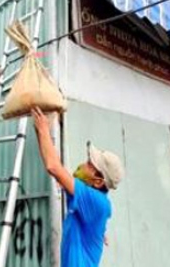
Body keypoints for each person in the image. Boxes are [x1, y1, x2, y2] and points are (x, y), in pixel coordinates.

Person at [32, 108, 123, 267]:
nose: (83, 164)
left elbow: (53, 167)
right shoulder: (85, 198)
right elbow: (55, 167)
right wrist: (40, 131)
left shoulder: (95, 200)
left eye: (89, 164)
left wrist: (43, 129)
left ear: (98, 181)